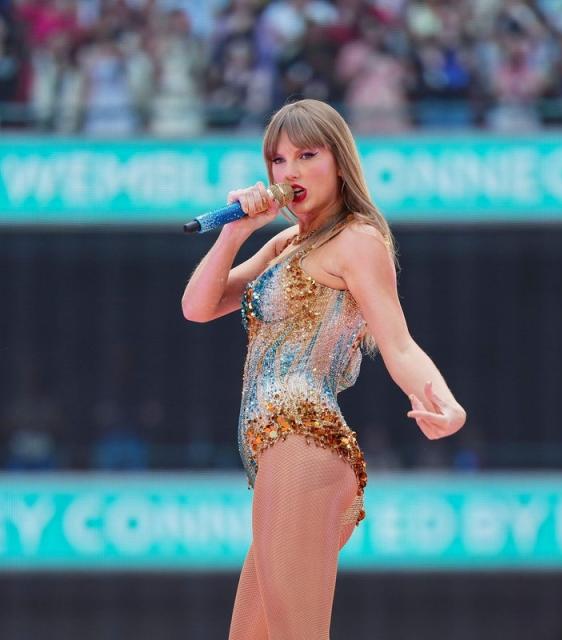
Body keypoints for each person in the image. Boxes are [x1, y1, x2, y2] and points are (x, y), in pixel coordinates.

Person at [180, 98, 467, 639]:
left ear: (338, 162)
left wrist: (442, 401)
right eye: (278, 160)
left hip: (303, 442)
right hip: (272, 452)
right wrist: (237, 230)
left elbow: (398, 343)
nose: (289, 172)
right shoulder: (287, 242)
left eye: (306, 155)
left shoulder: (356, 240)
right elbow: (198, 306)